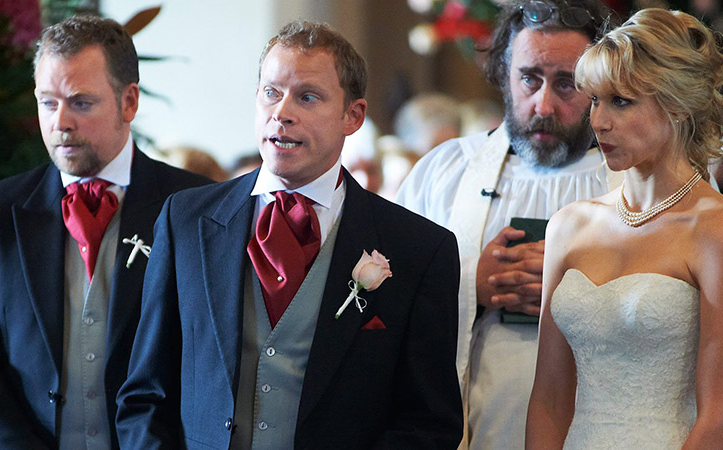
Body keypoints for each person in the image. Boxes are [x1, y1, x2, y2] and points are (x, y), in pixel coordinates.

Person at [115, 21, 463, 449]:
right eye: (271, 92)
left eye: (308, 96)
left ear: (352, 116)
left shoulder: (419, 249)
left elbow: (428, 425)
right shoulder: (186, 220)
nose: (282, 112)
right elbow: (146, 394)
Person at [0, 15, 210, 449]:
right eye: (48, 103)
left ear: (129, 102)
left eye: (81, 103)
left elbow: (211, 360)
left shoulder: (197, 206)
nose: (60, 122)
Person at [526, 8, 723, 448]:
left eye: (621, 102)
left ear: (676, 105)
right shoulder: (568, 225)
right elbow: (549, 398)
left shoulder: (722, 230)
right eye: (594, 100)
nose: (598, 121)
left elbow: (720, 421)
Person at [395, 0, 618, 447]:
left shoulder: (640, 181)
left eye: (566, 84)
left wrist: (581, 293)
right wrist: (471, 285)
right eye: (529, 78)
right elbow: (384, 299)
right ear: (504, 74)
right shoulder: (445, 172)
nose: (543, 104)